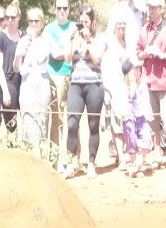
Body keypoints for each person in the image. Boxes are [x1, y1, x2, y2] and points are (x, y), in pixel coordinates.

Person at [137, 0, 166, 170]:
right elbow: (138, 53)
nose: (151, 11)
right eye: (149, 7)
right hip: (149, 82)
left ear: (161, 9)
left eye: (154, 7)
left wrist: (162, 55)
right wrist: (146, 53)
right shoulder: (144, 30)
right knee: (152, 121)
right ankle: (156, 155)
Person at [64, 6, 106, 178]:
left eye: (86, 22)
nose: (83, 26)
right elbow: (67, 58)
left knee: (93, 125)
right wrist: (69, 38)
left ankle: (91, 162)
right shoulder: (75, 38)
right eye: (81, 22)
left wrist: (88, 41)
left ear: (93, 22)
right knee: (72, 123)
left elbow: (96, 60)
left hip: (94, 85)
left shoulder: (100, 38)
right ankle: (71, 161)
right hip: (76, 84)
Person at [13, 8, 52, 156]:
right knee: (29, 126)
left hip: (41, 84)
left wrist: (33, 41)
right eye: (31, 21)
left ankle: (42, 159)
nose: (34, 24)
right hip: (27, 84)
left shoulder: (46, 39)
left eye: (37, 21)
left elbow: (40, 58)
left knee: (41, 126)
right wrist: (18, 55)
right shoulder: (23, 41)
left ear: (42, 22)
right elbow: (16, 68)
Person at [101, 6, 135, 167]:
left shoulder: (127, 43)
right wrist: (107, 90)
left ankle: (123, 152)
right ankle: (121, 157)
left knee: (127, 120)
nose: (121, 27)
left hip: (126, 86)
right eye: (118, 24)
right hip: (113, 86)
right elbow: (104, 66)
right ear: (113, 25)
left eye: (123, 24)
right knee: (116, 122)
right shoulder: (108, 42)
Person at [45, 0, 76, 162]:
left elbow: (77, 50)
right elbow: (55, 54)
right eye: (59, 8)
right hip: (56, 77)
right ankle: (55, 157)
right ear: (54, 9)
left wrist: (68, 50)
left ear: (69, 9)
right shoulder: (49, 29)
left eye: (65, 8)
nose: (62, 11)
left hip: (74, 76)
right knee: (57, 119)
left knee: (73, 119)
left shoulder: (74, 27)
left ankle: (73, 158)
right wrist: (69, 47)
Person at [121, 56, 152, 176]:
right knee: (131, 141)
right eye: (137, 68)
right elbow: (123, 103)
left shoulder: (142, 83)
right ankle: (135, 166)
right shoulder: (124, 86)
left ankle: (137, 165)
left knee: (146, 140)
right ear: (131, 71)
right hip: (129, 117)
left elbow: (145, 100)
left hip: (141, 117)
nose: (140, 70)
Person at [0, 3, 21, 133]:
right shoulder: (1, 38)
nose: (9, 20)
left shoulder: (24, 36)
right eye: (7, 17)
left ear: (18, 18)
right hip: (8, 83)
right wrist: (6, 92)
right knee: (12, 127)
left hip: (22, 82)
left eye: (12, 17)